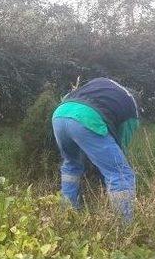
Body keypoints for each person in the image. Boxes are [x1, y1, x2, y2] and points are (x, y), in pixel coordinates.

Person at [51, 77, 140, 223]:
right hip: (86, 116)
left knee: (71, 165)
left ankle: (67, 214)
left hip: (60, 114)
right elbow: (121, 142)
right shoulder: (131, 107)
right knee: (120, 172)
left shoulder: (102, 86)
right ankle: (125, 226)